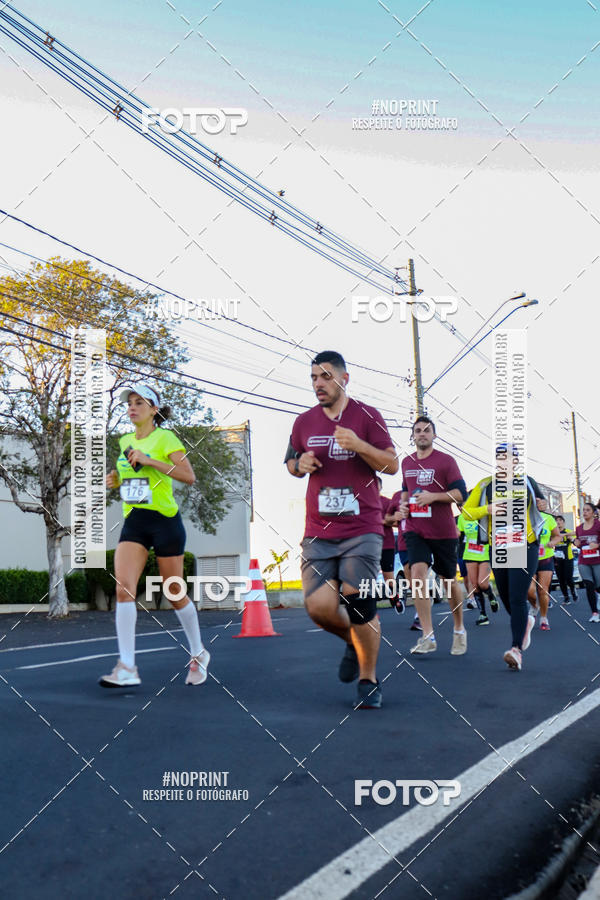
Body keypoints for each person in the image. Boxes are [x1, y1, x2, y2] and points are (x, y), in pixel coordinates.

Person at [284, 351, 398, 708]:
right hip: (318, 529)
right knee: (317, 607)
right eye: (314, 377)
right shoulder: (304, 422)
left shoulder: (367, 416)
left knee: (357, 597)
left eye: (326, 376)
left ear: (344, 379)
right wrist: (299, 464)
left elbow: (392, 464)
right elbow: (290, 461)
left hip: (362, 527)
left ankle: (369, 679)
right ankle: (353, 640)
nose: (319, 383)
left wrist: (359, 445)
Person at [100, 384, 209, 687]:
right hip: (134, 522)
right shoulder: (124, 440)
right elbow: (127, 476)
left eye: (139, 402)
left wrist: (151, 461)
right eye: (129, 403)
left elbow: (188, 475)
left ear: (154, 409)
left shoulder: (166, 438)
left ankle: (198, 652)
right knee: (124, 589)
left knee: (174, 593)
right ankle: (127, 668)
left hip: (164, 521)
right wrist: (115, 479)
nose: (132, 407)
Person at [462, 444, 546, 671]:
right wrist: (487, 509)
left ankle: (516, 649)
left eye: (509, 457)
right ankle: (526, 622)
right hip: (499, 547)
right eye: (500, 457)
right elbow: (466, 511)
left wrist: (542, 504)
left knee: (518, 597)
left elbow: (542, 505)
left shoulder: (527, 482)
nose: (504, 461)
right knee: (507, 597)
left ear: (516, 461)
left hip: (524, 544)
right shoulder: (485, 484)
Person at [396, 416, 468, 656]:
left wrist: (433, 497)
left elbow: (460, 493)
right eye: (418, 431)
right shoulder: (406, 462)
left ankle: (459, 629)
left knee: (449, 582)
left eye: (427, 430)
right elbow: (405, 492)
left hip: (443, 531)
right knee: (417, 575)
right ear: (413, 436)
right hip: (416, 529)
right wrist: (404, 507)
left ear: (434, 435)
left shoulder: (446, 461)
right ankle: (427, 635)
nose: (422, 434)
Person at [456, 507, 499, 626]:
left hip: (485, 553)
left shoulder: (485, 515)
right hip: (469, 553)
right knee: (475, 585)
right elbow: (459, 533)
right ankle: (483, 615)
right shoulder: (462, 518)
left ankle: (491, 595)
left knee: (483, 583)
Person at [527, 511, 561, 631]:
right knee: (529, 590)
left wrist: (553, 542)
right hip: (528, 558)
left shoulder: (548, 518)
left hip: (546, 558)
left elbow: (558, 536)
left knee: (542, 590)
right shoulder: (521, 516)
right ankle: (534, 606)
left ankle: (543, 617)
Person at [574, 502, 600, 623]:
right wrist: (576, 542)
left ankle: (598, 595)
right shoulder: (579, 528)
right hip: (583, 560)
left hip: (597, 560)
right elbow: (578, 542)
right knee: (589, 586)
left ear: (594, 513)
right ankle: (594, 613)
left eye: (588, 510)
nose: (585, 512)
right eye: (583, 510)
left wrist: (597, 545)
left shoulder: (598, 526)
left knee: (598, 586)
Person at [378, 477, 399, 606]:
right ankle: (366, 602)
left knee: (388, 576)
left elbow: (397, 521)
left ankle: (395, 596)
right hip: (367, 546)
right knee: (366, 576)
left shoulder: (387, 502)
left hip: (386, 544)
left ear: (380, 486)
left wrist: (382, 522)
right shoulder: (361, 502)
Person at [554, 515, 578, 604]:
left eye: (560, 520)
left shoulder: (568, 532)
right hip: (557, 559)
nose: (558, 522)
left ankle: (573, 591)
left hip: (568, 558)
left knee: (568, 578)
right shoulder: (553, 533)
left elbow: (575, 541)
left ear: (563, 522)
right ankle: (566, 597)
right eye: (556, 520)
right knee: (561, 579)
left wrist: (571, 539)